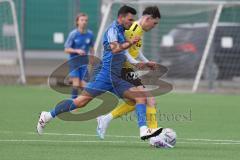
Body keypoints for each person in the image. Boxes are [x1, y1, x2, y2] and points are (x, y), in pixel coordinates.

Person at [36, 5, 162, 140]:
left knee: (140, 97)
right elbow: (115, 49)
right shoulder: (112, 30)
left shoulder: (121, 32)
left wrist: (140, 62)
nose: (132, 23)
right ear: (121, 18)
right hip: (105, 76)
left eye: (133, 20)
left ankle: (143, 130)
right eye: (130, 20)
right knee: (80, 102)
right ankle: (48, 115)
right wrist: (130, 43)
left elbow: (125, 53)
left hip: (118, 77)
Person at [96, 6, 162, 140]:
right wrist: (134, 62)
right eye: (154, 23)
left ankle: (106, 118)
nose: (154, 26)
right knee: (149, 99)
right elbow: (123, 49)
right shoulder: (132, 29)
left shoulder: (139, 30)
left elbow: (135, 50)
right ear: (148, 18)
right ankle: (154, 135)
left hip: (127, 68)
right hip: (122, 68)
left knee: (138, 101)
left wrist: (146, 61)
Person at [64, 13, 94, 99]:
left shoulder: (90, 34)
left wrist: (92, 59)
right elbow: (66, 49)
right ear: (77, 22)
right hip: (74, 62)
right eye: (82, 20)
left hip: (84, 62)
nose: (84, 22)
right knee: (76, 83)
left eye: (86, 20)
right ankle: (73, 104)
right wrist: (76, 50)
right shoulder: (73, 34)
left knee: (84, 85)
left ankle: (80, 101)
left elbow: (92, 47)